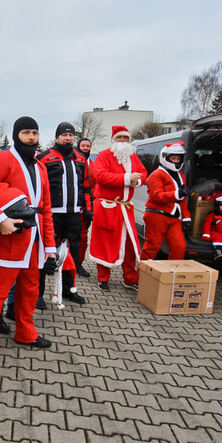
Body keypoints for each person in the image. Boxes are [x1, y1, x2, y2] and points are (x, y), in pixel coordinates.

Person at [0, 116, 56, 378]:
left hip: (34, 243)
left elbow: (46, 210)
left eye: (35, 133)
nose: (31, 137)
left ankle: (25, 333)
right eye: (26, 132)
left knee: (30, 291)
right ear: (17, 135)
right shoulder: (1, 159)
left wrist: (49, 247)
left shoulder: (41, 167)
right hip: (7, 241)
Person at [36, 122, 91, 306]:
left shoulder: (81, 158)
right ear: (57, 137)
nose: (68, 138)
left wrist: (88, 209)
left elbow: (86, 187)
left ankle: (68, 290)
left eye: (71, 135)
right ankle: (37, 293)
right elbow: (37, 187)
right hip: (51, 215)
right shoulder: (44, 157)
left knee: (72, 254)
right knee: (45, 253)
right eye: (64, 135)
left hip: (74, 214)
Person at [89, 125, 148, 291]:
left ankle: (130, 278)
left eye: (126, 138)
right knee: (105, 243)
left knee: (130, 244)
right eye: (119, 137)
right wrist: (127, 178)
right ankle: (103, 278)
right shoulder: (104, 155)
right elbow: (101, 176)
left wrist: (138, 181)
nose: (123, 141)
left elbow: (143, 172)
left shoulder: (132, 157)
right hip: (107, 207)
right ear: (113, 140)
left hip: (125, 209)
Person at [141, 142, 191, 260]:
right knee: (152, 246)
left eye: (178, 159)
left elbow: (182, 199)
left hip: (174, 217)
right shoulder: (156, 175)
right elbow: (157, 196)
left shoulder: (181, 175)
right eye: (173, 158)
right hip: (157, 215)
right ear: (165, 157)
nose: (176, 161)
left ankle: (172, 271)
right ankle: (142, 271)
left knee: (179, 246)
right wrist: (176, 194)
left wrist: (186, 217)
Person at [74, 137, 95, 277]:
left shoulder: (93, 164)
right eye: (83, 145)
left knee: (83, 238)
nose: (86, 148)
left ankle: (79, 263)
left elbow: (95, 184)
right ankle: (59, 262)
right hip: (70, 205)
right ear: (78, 146)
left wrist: (90, 203)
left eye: (88, 146)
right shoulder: (72, 160)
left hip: (85, 206)